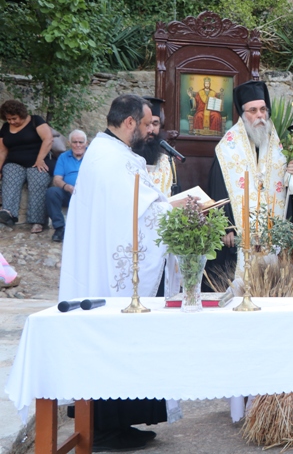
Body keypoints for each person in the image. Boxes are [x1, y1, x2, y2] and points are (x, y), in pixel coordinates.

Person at [58, 94, 177, 451]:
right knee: (115, 342)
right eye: (145, 125)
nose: (148, 132)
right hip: (109, 273)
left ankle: (119, 422)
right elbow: (141, 215)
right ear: (129, 123)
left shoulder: (107, 152)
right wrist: (178, 213)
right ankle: (106, 428)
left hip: (104, 264)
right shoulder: (113, 159)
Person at [207, 80, 293, 281]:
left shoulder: (276, 144)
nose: (260, 115)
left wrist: (292, 174)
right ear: (243, 114)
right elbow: (218, 188)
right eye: (253, 110)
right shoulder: (227, 147)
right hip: (239, 232)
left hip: (270, 231)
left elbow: (285, 188)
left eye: (263, 109)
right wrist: (226, 226)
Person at [0, 100, 53, 233]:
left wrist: (40, 159)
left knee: (38, 182)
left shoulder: (36, 120)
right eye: (8, 119)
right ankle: (8, 215)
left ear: (21, 114)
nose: (11, 121)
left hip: (37, 160)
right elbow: (2, 150)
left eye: (14, 118)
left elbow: (48, 139)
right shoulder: (5, 127)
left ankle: (37, 221)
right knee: (10, 180)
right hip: (14, 162)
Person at [46, 130, 86, 242]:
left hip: (88, 194)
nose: (78, 145)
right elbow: (57, 179)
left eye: (81, 142)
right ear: (69, 143)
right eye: (75, 142)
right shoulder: (64, 157)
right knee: (52, 192)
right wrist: (67, 187)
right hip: (69, 193)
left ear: (86, 143)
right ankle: (59, 228)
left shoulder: (92, 156)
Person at [135, 97, 175, 196]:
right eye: (147, 124)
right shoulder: (127, 158)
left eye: (155, 123)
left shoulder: (167, 162)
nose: (151, 129)